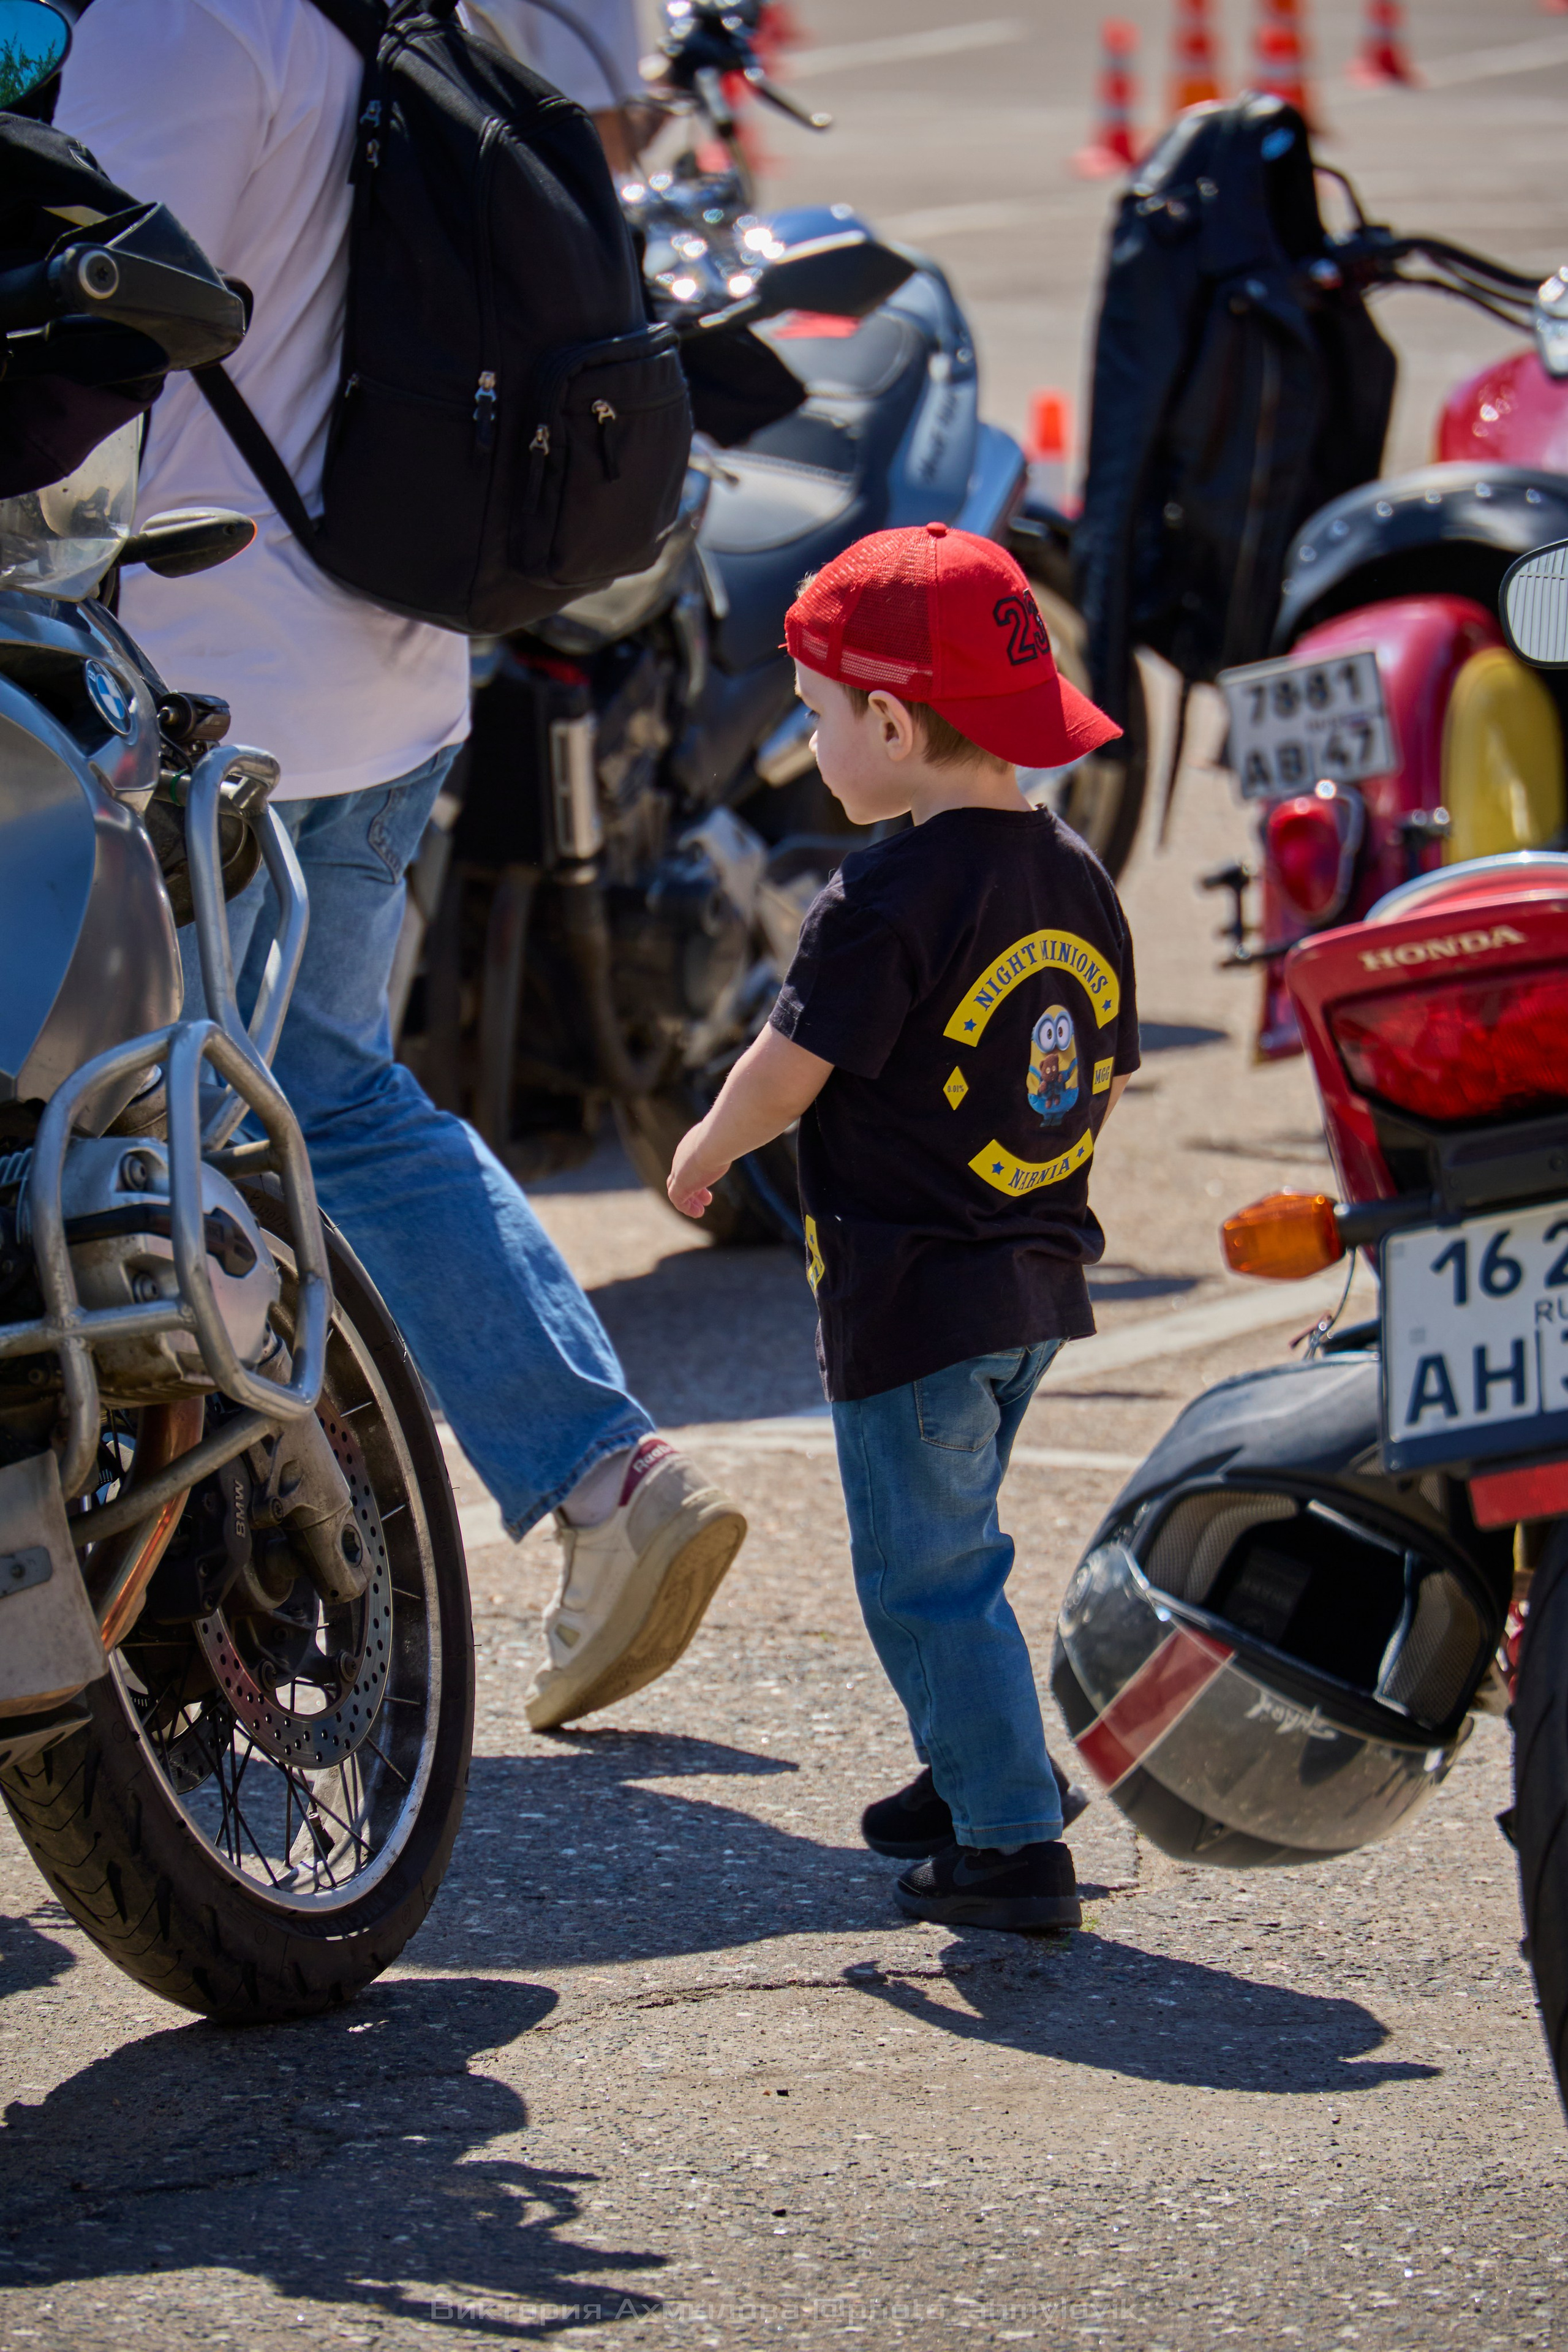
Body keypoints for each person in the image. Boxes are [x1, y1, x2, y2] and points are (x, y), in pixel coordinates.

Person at [58, 0, 747, 1733]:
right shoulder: (376, 8)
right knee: (311, 1106)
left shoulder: (179, 28)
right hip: (398, 659)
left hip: (216, 696)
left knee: (190, 1133)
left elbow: (92, 332)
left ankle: (264, 1571)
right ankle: (529, 1492)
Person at [668, 524, 1139, 1935]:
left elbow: (786, 1068)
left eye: (815, 719)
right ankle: (972, 1762)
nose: (811, 746)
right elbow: (1093, 1059)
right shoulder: (1075, 874)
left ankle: (1006, 1847)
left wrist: (705, 1148)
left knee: (923, 1579)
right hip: (1034, 1280)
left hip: (914, 1301)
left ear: (887, 719)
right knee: (963, 1545)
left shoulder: (878, 896)